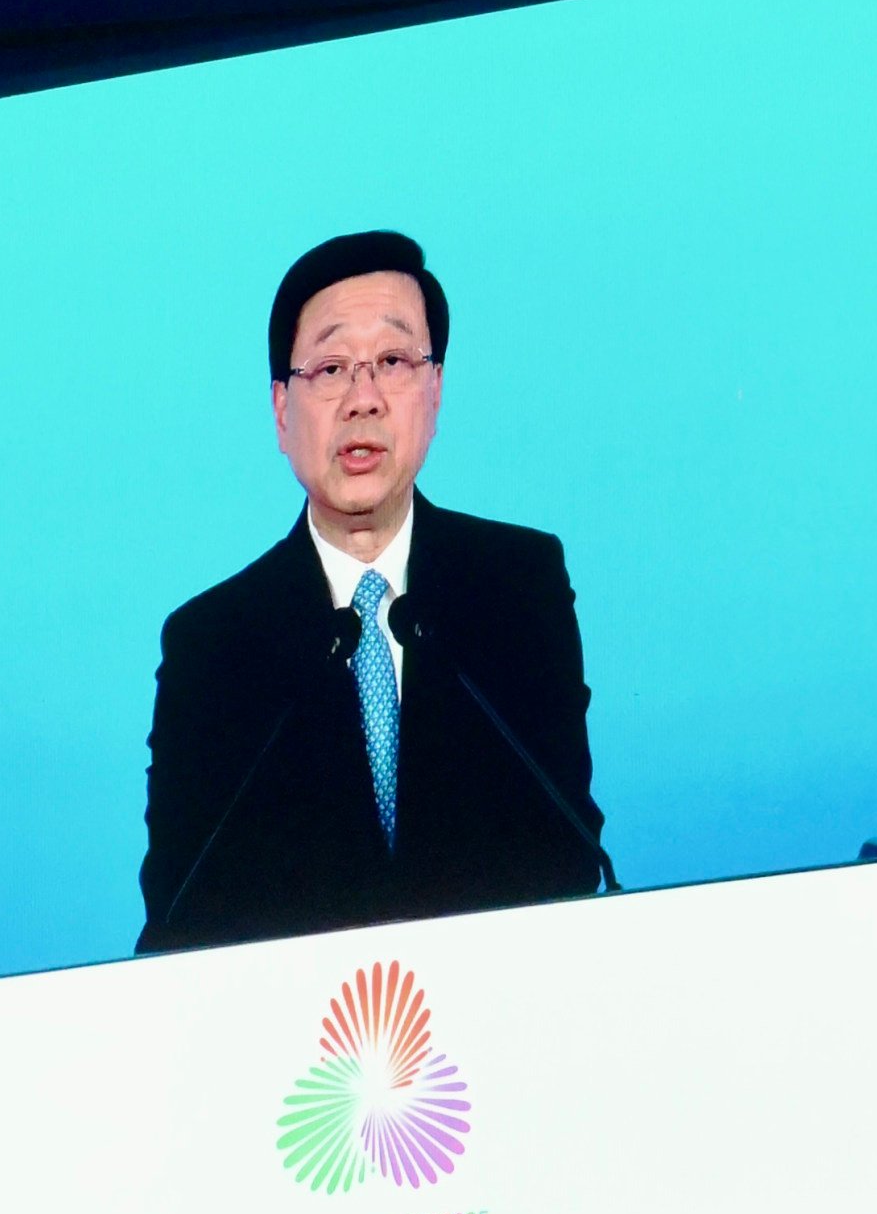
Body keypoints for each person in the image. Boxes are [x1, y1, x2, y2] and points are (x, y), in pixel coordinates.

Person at [137, 228, 604, 952]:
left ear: (436, 389)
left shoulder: (517, 586)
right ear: (281, 410)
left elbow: (564, 860)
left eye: (391, 360)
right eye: (328, 369)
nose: (363, 399)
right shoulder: (212, 644)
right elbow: (182, 914)